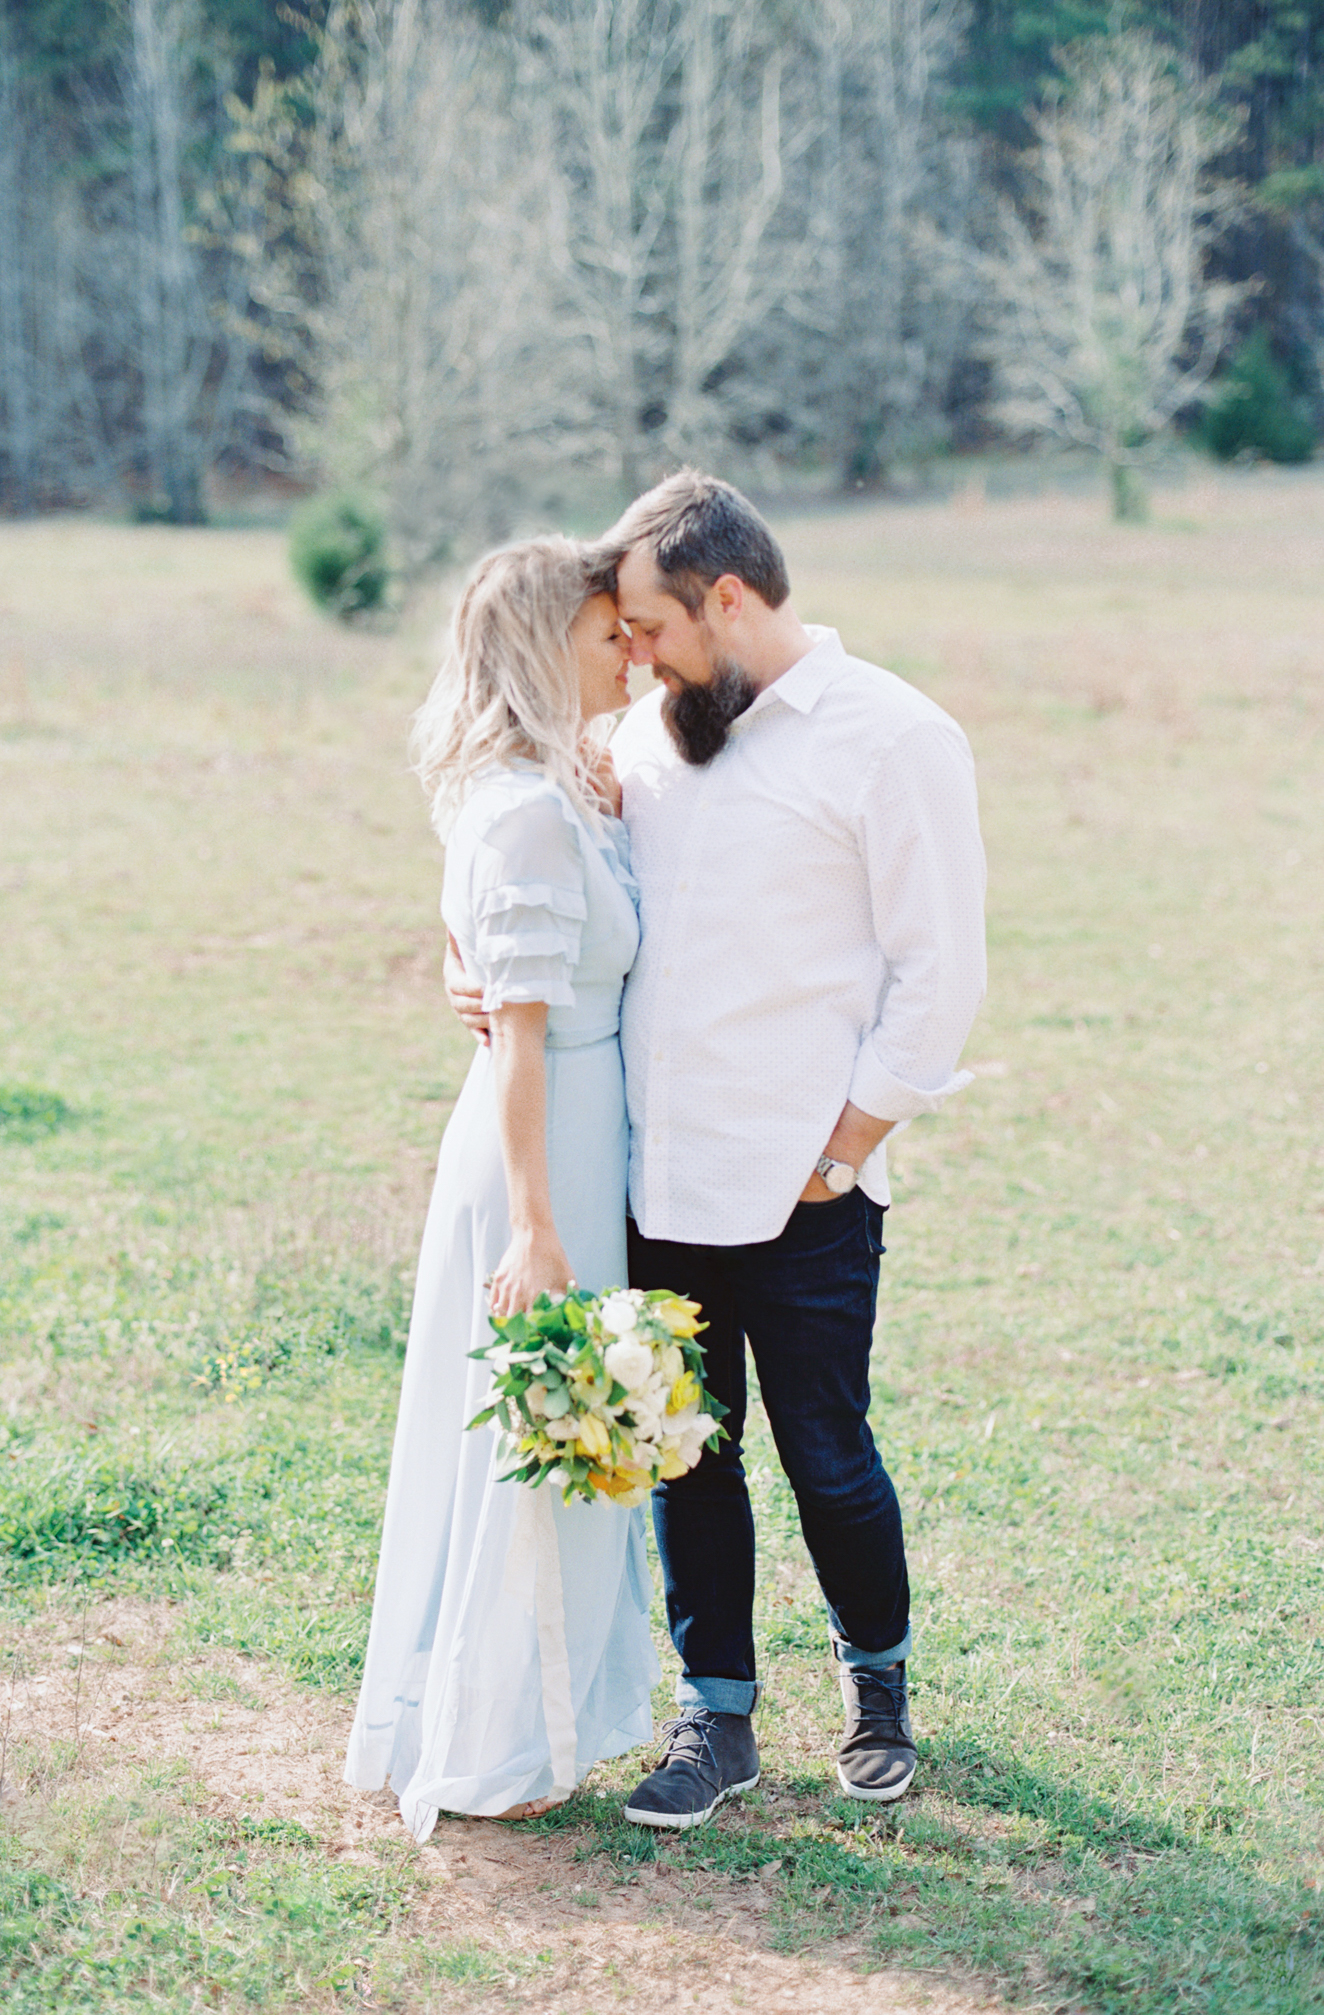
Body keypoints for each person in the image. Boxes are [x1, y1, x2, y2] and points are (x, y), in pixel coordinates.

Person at [448, 472, 987, 1825]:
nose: (631, 656)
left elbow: (942, 970)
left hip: (808, 1182)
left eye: (650, 628)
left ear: (727, 599)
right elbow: (545, 891)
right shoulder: (635, 742)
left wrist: (849, 1144)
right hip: (655, 1175)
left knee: (828, 1453)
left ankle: (879, 1690)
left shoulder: (894, 737)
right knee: (688, 1453)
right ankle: (717, 1716)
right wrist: (477, 974)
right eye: (620, 636)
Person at [344, 537, 660, 1843]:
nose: (632, 655)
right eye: (606, 638)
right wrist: (538, 1225)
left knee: (546, 1431)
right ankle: (498, 1735)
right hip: (545, 1147)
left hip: (577, 1127)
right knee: (538, 1433)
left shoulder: (548, 786)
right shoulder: (526, 809)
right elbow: (521, 1035)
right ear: (544, 651)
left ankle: (532, 1713)